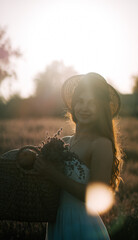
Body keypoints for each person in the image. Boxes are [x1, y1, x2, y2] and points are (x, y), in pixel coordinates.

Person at [35, 72, 123, 240]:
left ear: (101, 108)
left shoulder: (101, 144)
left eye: (92, 103)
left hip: (82, 226)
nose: (84, 107)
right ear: (74, 105)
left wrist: (52, 174)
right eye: (80, 101)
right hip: (56, 223)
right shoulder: (65, 142)